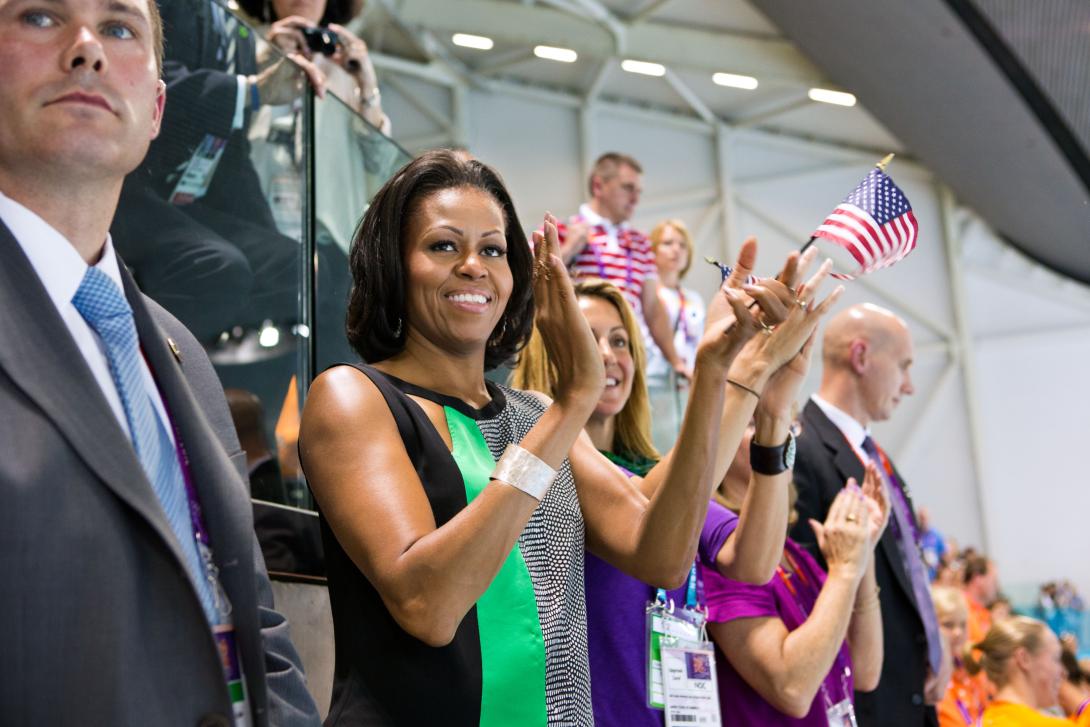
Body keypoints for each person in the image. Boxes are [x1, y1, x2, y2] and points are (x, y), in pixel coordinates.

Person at [298, 150, 838, 724]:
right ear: (393, 265)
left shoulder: (534, 415)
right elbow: (427, 605)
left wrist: (721, 371)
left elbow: (661, 555)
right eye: (443, 246)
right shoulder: (354, 397)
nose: (473, 266)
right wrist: (574, 403)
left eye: (493, 250)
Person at [0, 0, 318, 722]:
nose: (87, 48)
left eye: (119, 29)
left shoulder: (184, 359)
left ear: (155, 111)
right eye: (41, 18)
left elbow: (255, 621)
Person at [511, 256, 841, 726]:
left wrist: (773, 412)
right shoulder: (544, 456)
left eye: (620, 341)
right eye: (590, 336)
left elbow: (752, 561)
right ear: (550, 349)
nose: (608, 354)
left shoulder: (652, 468)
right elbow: (642, 509)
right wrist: (741, 374)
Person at [791, 302, 950, 725]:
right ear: (861, 357)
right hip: (865, 701)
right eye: (904, 366)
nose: (910, 386)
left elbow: (905, 571)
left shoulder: (876, 457)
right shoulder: (802, 452)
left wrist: (932, 642)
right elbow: (804, 597)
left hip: (909, 692)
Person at [704, 425, 887, 726]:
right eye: (755, 421)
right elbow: (791, 688)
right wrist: (845, 569)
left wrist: (862, 553)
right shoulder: (722, 555)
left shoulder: (793, 554)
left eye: (788, 424)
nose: (782, 435)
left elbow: (865, 670)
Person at [555, 152, 688, 379]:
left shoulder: (640, 242)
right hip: (579, 355)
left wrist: (676, 362)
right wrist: (567, 250)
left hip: (629, 357)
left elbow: (653, 308)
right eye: (628, 188)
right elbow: (530, 285)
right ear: (599, 185)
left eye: (638, 191)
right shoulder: (562, 230)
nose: (635, 198)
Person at [645, 218, 706, 450]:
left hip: (689, 385)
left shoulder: (694, 299)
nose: (676, 250)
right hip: (655, 383)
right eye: (668, 243)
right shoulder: (648, 297)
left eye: (682, 245)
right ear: (653, 250)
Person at [970, 617, 1090, 726]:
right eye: (1055, 659)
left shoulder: (980, 722)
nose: (1063, 672)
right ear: (1024, 659)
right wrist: (1073, 695)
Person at [932, 586, 991, 727]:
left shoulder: (972, 672)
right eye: (948, 624)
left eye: (963, 625)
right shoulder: (929, 680)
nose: (958, 632)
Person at [965, 554, 999, 646]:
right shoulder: (961, 611)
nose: (997, 587)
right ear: (978, 578)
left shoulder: (984, 613)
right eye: (994, 580)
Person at [919, 507, 947, 581]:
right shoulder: (916, 536)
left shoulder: (937, 535)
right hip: (921, 577)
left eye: (925, 518)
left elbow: (944, 556)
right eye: (921, 518)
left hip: (935, 577)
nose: (923, 521)